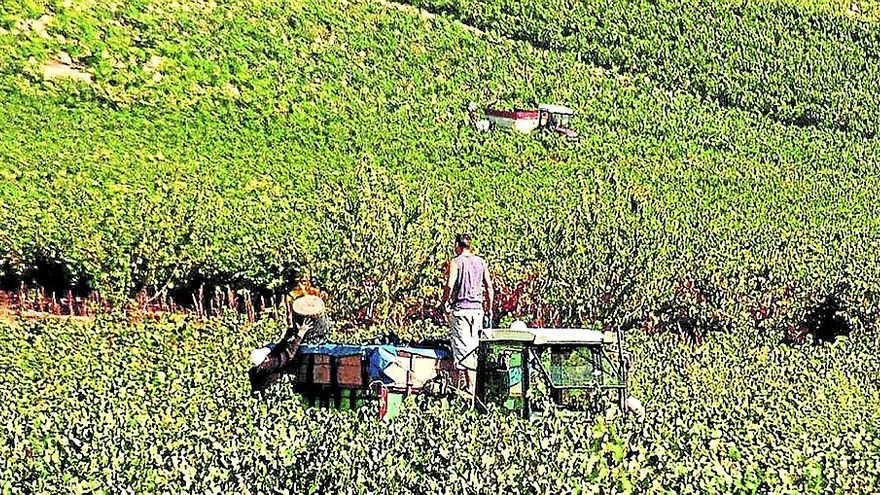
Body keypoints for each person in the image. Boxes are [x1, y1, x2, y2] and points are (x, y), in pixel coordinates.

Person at [440, 233, 494, 398]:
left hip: (461, 310)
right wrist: (489, 308)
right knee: (474, 347)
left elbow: (450, 285)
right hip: (477, 310)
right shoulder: (481, 262)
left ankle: (470, 387)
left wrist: (443, 303)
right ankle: (472, 385)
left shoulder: (456, 262)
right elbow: (489, 287)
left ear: (458, 246)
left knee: (463, 348)